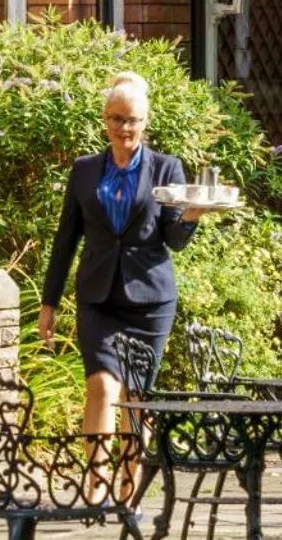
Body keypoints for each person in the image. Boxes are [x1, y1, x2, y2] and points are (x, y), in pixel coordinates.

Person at [38, 72, 206, 459]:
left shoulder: (166, 169)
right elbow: (66, 240)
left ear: (145, 122)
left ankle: (129, 493)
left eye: (132, 120)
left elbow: (174, 240)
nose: (124, 128)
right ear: (104, 118)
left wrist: (192, 215)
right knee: (101, 385)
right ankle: (95, 487)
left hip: (149, 301)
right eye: (117, 118)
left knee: (136, 397)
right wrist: (50, 303)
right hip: (97, 298)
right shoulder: (84, 170)